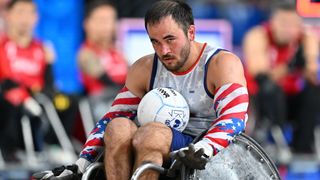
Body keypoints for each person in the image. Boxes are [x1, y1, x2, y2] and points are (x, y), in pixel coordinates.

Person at [37, 0, 249, 179]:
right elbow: (112, 118)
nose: (163, 51)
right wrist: (81, 163)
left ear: (191, 32)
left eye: (170, 40)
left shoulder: (221, 63)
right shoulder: (144, 68)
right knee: (118, 127)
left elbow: (235, 118)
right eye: (155, 42)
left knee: (150, 134)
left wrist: (205, 148)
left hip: (203, 146)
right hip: (153, 139)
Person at [243, 2, 319, 154]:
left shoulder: (306, 38)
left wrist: (306, 63)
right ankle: (272, 139)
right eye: (284, 24)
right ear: (273, 23)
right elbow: (259, 73)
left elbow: (312, 74)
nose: (289, 29)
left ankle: (303, 145)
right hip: (263, 101)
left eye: (293, 25)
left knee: (314, 92)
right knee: (270, 89)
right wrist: (289, 66)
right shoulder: (258, 36)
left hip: (291, 100)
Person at [0, 0, 55, 161]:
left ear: (36, 17)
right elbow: (7, 81)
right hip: (10, 99)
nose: (25, 18)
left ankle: (52, 147)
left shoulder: (43, 49)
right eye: (20, 12)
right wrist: (25, 98)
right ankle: (10, 151)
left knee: (68, 101)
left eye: (29, 13)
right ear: (7, 15)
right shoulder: (3, 46)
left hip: (37, 98)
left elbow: (49, 85)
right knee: (10, 99)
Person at [78, 0, 127, 121]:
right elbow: (108, 82)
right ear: (87, 24)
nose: (106, 25)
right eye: (101, 20)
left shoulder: (118, 52)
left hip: (124, 102)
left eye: (110, 20)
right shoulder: (86, 53)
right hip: (102, 106)